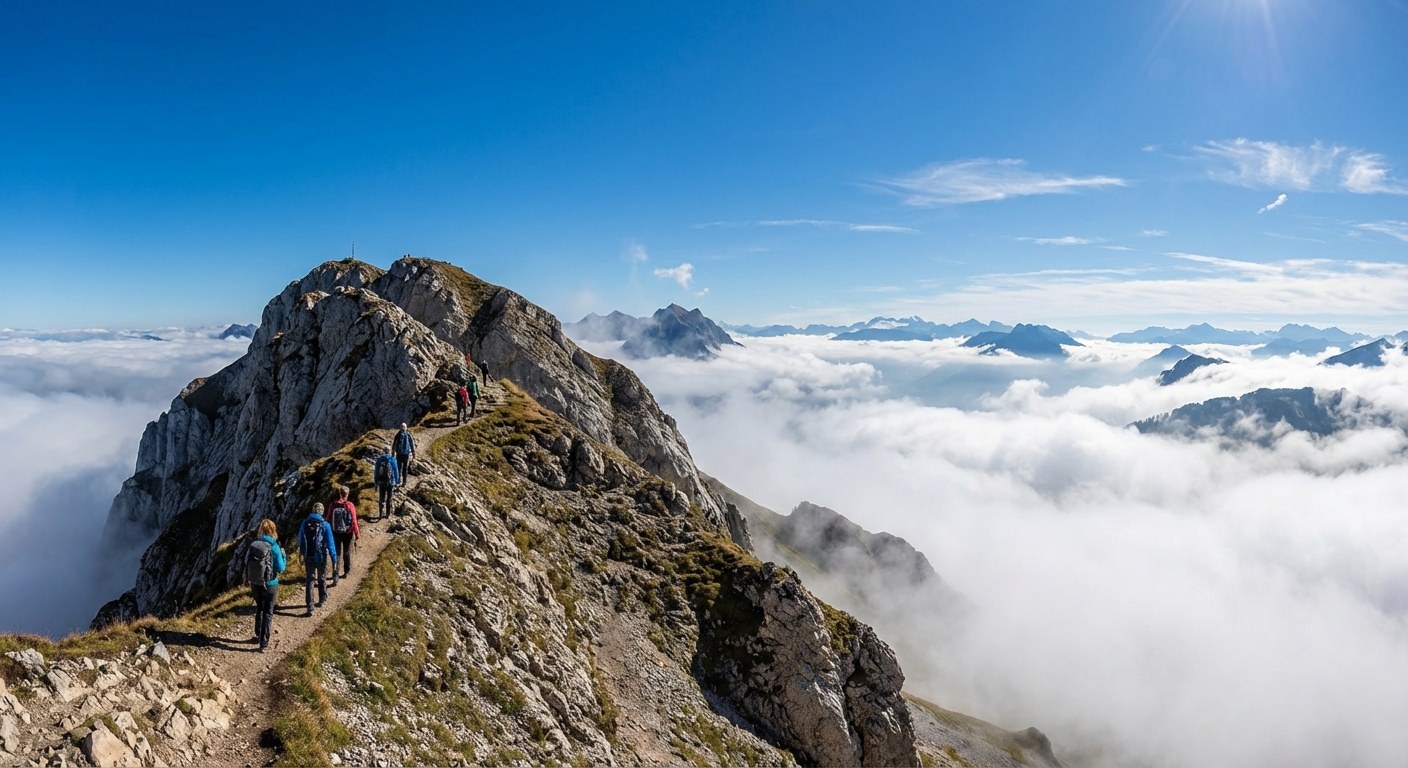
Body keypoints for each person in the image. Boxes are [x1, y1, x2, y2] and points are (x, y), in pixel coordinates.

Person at [244, 519, 286, 653]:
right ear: (273, 530)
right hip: (271, 583)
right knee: (268, 612)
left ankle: (257, 634)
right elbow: (280, 568)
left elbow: (246, 561)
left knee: (260, 608)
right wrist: (284, 556)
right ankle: (264, 642)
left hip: (255, 583)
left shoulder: (254, 545)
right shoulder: (274, 547)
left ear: (260, 530)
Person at [298, 503, 338, 616]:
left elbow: (300, 538)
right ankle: (322, 599)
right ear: (322, 511)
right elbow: (331, 544)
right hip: (321, 556)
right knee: (322, 577)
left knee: (310, 580)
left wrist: (302, 553)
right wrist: (334, 558)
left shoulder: (305, 522)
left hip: (308, 556)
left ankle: (310, 607)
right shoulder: (325, 525)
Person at [328, 485, 360, 579]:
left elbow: (328, 518)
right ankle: (346, 571)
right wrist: (357, 533)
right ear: (347, 494)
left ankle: (336, 572)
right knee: (346, 552)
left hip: (336, 532)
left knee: (337, 552)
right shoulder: (350, 505)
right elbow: (354, 521)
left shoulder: (333, 505)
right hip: (347, 533)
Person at [373, 446, 399, 521]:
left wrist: (376, 482)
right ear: (389, 451)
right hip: (390, 482)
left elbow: (376, 472)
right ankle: (387, 514)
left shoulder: (379, 460)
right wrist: (396, 481)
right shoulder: (392, 459)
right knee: (389, 497)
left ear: (383, 451)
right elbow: (396, 471)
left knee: (381, 497)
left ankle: (380, 513)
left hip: (381, 482)